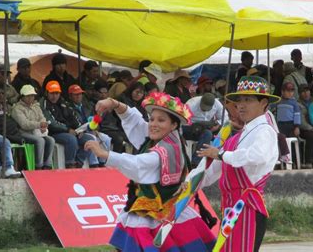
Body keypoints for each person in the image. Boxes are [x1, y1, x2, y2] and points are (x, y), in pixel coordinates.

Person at [85, 92, 216, 251]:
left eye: (161, 120)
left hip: (160, 215)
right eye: (152, 119)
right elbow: (136, 123)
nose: (153, 124)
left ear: (173, 125)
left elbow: (139, 165)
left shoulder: (167, 150)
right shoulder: (161, 138)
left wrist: (104, 154)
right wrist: (115, 104)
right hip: (153, 212)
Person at [194, 76, 280, 252]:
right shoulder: (236, 138)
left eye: (248, 100)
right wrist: (191, 184)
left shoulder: (265, 131)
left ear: (263, 102)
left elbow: (257, 156)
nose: (241, 105)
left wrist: (221, 154)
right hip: (231, 209)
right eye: (239, 100)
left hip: (248, 207)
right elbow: (213, 171)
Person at [40, 80, 96, 168]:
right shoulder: (44, 103)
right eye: (52, 93)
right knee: (71, 139)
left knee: (90, 139)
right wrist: (68, 130)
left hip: (69, 130)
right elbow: (51, 123)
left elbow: (72, 116)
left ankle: (79, 163)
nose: (54, 96)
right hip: (53, 133)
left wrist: (79, 129)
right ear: (46, 93)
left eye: (57, 93)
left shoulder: (62, 102)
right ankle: (69, 164)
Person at [11, 85, 55, 170]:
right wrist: (39, 124)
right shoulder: (17, 109)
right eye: (28, 96)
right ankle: (38, 165)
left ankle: (47, 165)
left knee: (51, 140)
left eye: (32, 95)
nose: (30, 98)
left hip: (37, 132)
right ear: (22, 96)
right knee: (40, 141)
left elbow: (42, 117)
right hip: (23, 133)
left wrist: (43, 124)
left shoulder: (36, 106)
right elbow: (24, 124)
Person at [67, 84, 112, 167]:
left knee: (106, 139)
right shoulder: (68, 107)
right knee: (92, 139)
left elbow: (94, 120)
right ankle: (93, 164)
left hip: (90, 129)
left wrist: (95, 128)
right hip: (79, 132)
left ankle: (103, 163)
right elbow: (73, 124)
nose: (78, 96)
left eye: (80, 94)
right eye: (76, 94)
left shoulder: (87, 105)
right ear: (70, 96)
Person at [184, 92, 229, 166]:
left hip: (206, 127)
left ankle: (197, 161)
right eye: (203, 107)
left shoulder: (217, 104)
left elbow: (225, 118)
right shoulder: (192, 104)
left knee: (210, 134)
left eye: (207, 109)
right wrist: (194, 126)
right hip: (190, 126)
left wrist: (217, 124)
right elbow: (183, 120)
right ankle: (196, 162)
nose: (204, 110)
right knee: (207, 133)